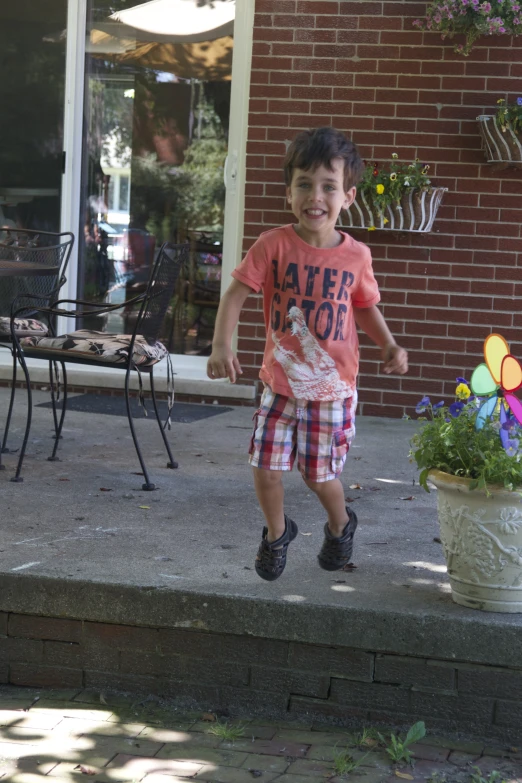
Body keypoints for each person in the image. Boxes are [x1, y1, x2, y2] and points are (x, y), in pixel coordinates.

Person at [207, 127, 408, 581]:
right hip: (279, 384)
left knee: (318, 476)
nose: (315, 196)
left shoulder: (356, 256)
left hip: (333, 391)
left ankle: (340, 526)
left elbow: (366, 308)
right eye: (304, 184)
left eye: (328, 186)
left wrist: (389, 344)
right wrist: (222, 344)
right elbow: (235, 295)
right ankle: (277, 534)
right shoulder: (272, 245)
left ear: (348, 196)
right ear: (288, 192)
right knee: (265, 467)